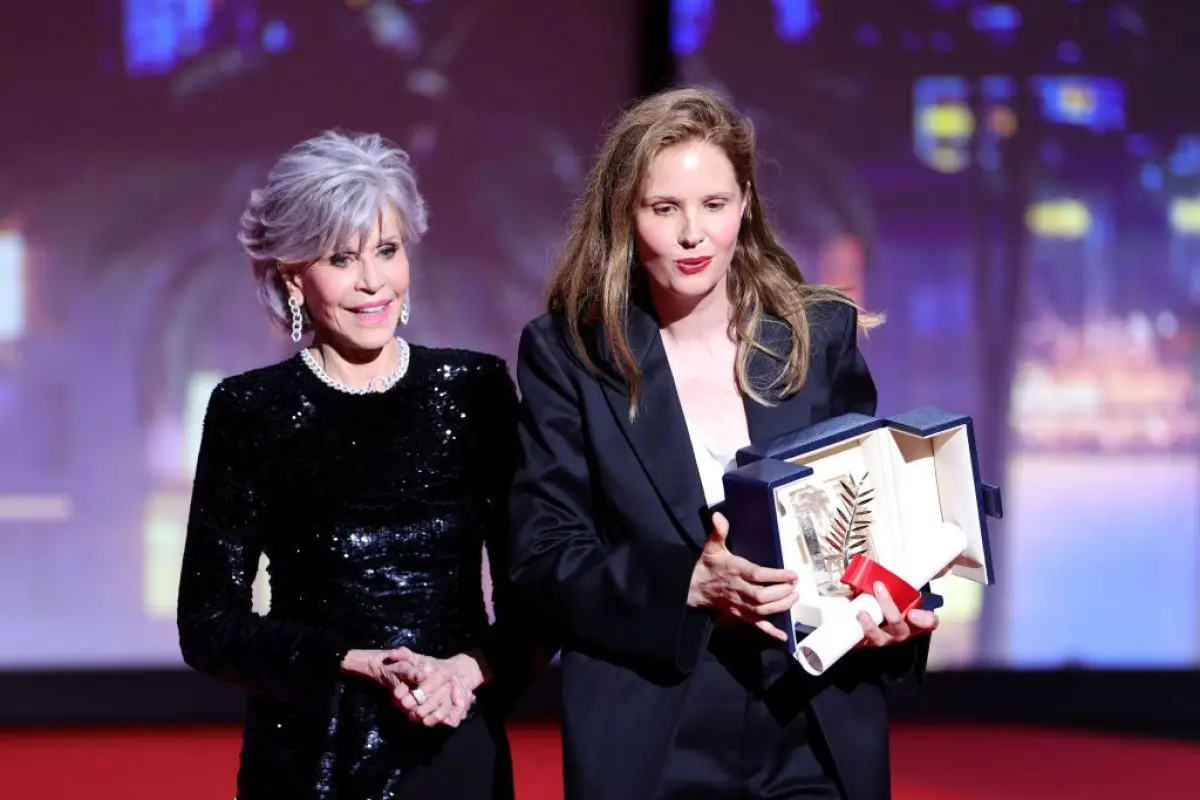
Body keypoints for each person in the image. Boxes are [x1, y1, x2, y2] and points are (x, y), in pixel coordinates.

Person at [508, 87, 939, 800]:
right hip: (658, 719)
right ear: (625, 214)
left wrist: (897, 604)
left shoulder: (816, 333)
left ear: (745, 204)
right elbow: (543, 553)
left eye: (714, 205)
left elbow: (872, 518)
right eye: (664, 208)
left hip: (812, 713)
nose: (692, 235)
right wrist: (690, 582)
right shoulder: (568, 354)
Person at [177, 130, 544, 799]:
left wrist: (464, 671)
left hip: (454, 749)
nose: (373, 281)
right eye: (341, 258)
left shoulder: (475, 389)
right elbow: (208, 627)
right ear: (293, 275)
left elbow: (536, 600)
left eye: (387, 250)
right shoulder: (252, 410)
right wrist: (349, 663)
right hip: (315, 758)